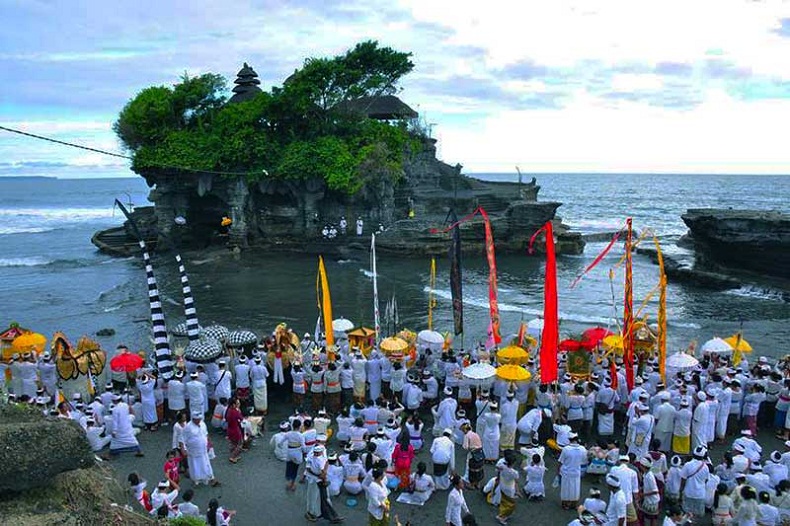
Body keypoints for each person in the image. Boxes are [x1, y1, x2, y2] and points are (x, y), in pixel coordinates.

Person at [183, 411, 220, 487]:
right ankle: (196, 481)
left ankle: (211, 478)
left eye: (199, 419)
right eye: (197, 419)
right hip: (193, 451)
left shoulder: (202, 424)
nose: (199, 420)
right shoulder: (188, 427)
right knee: (195, 465)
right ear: (193, 419)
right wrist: (184, 450)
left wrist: (209, 442)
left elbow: (206, 434)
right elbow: (183, 439)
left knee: (206, 463)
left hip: (203, 450)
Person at [558, 432, 588, 509]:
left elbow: (561, 461)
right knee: (575, 488)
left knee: (565, 489)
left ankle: (565, 504)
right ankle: (574, 504)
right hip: (576, 472)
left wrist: (558, 471)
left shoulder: (566, 449)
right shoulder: (582, 449)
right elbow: (584, 460)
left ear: (569, 439)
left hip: (566, 472)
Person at [679, 446, 709, 520]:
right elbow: (706, 480)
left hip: (688, 492)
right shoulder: (705, 467)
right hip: (700, 494)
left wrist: (680, 491)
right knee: (696, 516)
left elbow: (683, 480)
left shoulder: (687, 465)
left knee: (687, 514)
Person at [496, 454, 520, 524]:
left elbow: (497, 468)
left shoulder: (502, 466)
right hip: (509, 488)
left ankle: (503, 514)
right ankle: (502, 516)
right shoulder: (514, 472)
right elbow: (516, 481)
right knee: (510, 504)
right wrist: (517, 491)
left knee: (504, 501)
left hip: (502, 485)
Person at [637, 457, 660, 526]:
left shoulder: (650, 476)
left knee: (652, 518)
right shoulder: (646, 474)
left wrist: (643, 495)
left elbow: (655, 491)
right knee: (649, 517)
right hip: (648, 499)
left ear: (643, 466)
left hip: (652, 501)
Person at [461, 422, 484, 489]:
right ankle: (477, 483)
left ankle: (471, 483)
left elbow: (465, 447)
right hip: (480, 453)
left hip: (472, 454)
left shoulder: (467, 436)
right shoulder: (475, 434)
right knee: (479, 468)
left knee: (470, 469)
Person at [225, 397, 244, 463]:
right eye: (237, 403)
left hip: (230, 429)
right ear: (233, 404)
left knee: (233, 443)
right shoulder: (235, 412)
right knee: (240, 444)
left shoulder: (228, 410)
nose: (238, 404)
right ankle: (233, 456)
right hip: (235, 430)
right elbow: (241, 418)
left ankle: (235, 455)